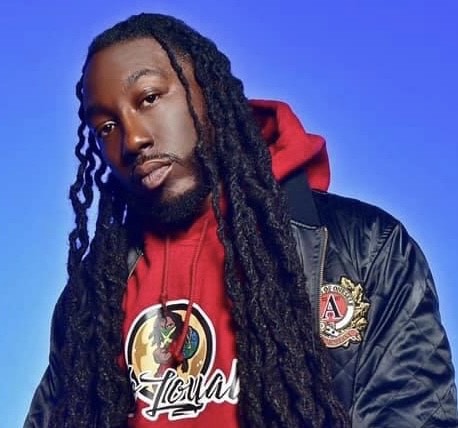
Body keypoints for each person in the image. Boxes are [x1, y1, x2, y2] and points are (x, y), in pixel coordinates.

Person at [24, 13, 458, 428]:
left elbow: (414, 413)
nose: (133, 138)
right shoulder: (93, 295)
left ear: (209, 93)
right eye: (106, 127)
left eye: (150, 98)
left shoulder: (364, 248)